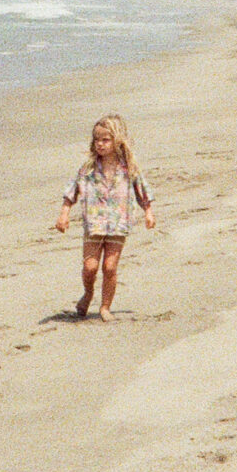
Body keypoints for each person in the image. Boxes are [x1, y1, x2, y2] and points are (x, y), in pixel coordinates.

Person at [53, 114, 155, 321]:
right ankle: (88, 292)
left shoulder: (129, 168)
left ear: (117, 141)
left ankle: (105, 307)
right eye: (97, 140)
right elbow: (72, 190)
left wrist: (148, 212)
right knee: (90, 267)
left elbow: (142, 189)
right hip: (94, 224)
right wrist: (64, 214)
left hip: (119, 223)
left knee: (110, 267)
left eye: (105, 140)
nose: (100, 144)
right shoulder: (88, 168)